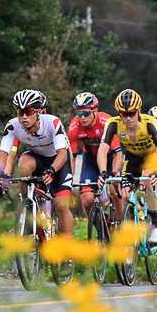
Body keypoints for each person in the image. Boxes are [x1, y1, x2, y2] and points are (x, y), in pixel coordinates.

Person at [0, 89, 74, 239]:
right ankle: (28, 205)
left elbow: (63, 154)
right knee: (24, 164)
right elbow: (4, 154)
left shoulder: (52, 122)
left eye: (28, 112)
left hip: (58, 160)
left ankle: (67, 251)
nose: (24, 117)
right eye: (20, 112)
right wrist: (0, 174)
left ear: (37, 112)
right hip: (37, 158)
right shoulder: (12, 125)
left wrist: (52, 170)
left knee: (61, 205)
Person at [95, 89, 157, 244]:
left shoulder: (149, 123)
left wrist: (156, 171)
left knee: (148, 179)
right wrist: (103, 172)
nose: (127, 118)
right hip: (133, 157)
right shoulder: (113, 123)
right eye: (123, 114)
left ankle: (156, 228)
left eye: (132, 113)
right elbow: (102, 150)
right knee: (125, 193)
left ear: (139, 111)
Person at [66, 92, 115, 220]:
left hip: (110, 160)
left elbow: (118, 153)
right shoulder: (74, 126)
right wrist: (68, 181)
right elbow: (72, 157)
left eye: (86, 113)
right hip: (90, 162)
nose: (82, 117)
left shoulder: (106, 122)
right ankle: (101, 227)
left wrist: (114, 173)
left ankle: (120, 225)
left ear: (95, 111)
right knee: (87, 200)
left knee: (116, 192)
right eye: (78, 113)